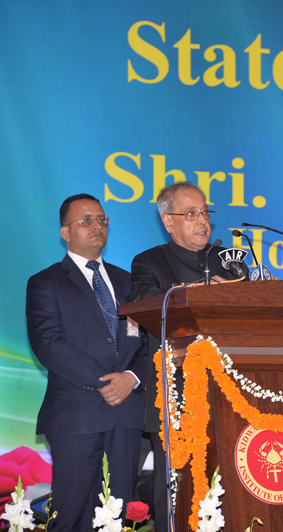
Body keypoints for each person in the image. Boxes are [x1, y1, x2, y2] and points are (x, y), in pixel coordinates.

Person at [26, 194, 147, 531]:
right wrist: (107, 382)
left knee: (120, 515)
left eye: (102, 220)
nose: (97, 226)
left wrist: (131, 378)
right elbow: (49, 344)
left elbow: (147, 342)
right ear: (65, 232)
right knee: (72, 515)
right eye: (86, 220)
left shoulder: (130, 283)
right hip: (76, 415)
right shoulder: (45, 282)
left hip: (125, 416)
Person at [128, 182, 238, 531]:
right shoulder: (148, 262)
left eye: (205, 212)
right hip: (176, 396)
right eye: (191, 214)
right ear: (168, 221)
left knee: (229, 491)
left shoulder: (228, 261)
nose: (202, 220)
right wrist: (203, 292)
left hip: (230, 393)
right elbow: (149, 308)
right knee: (176, 494)